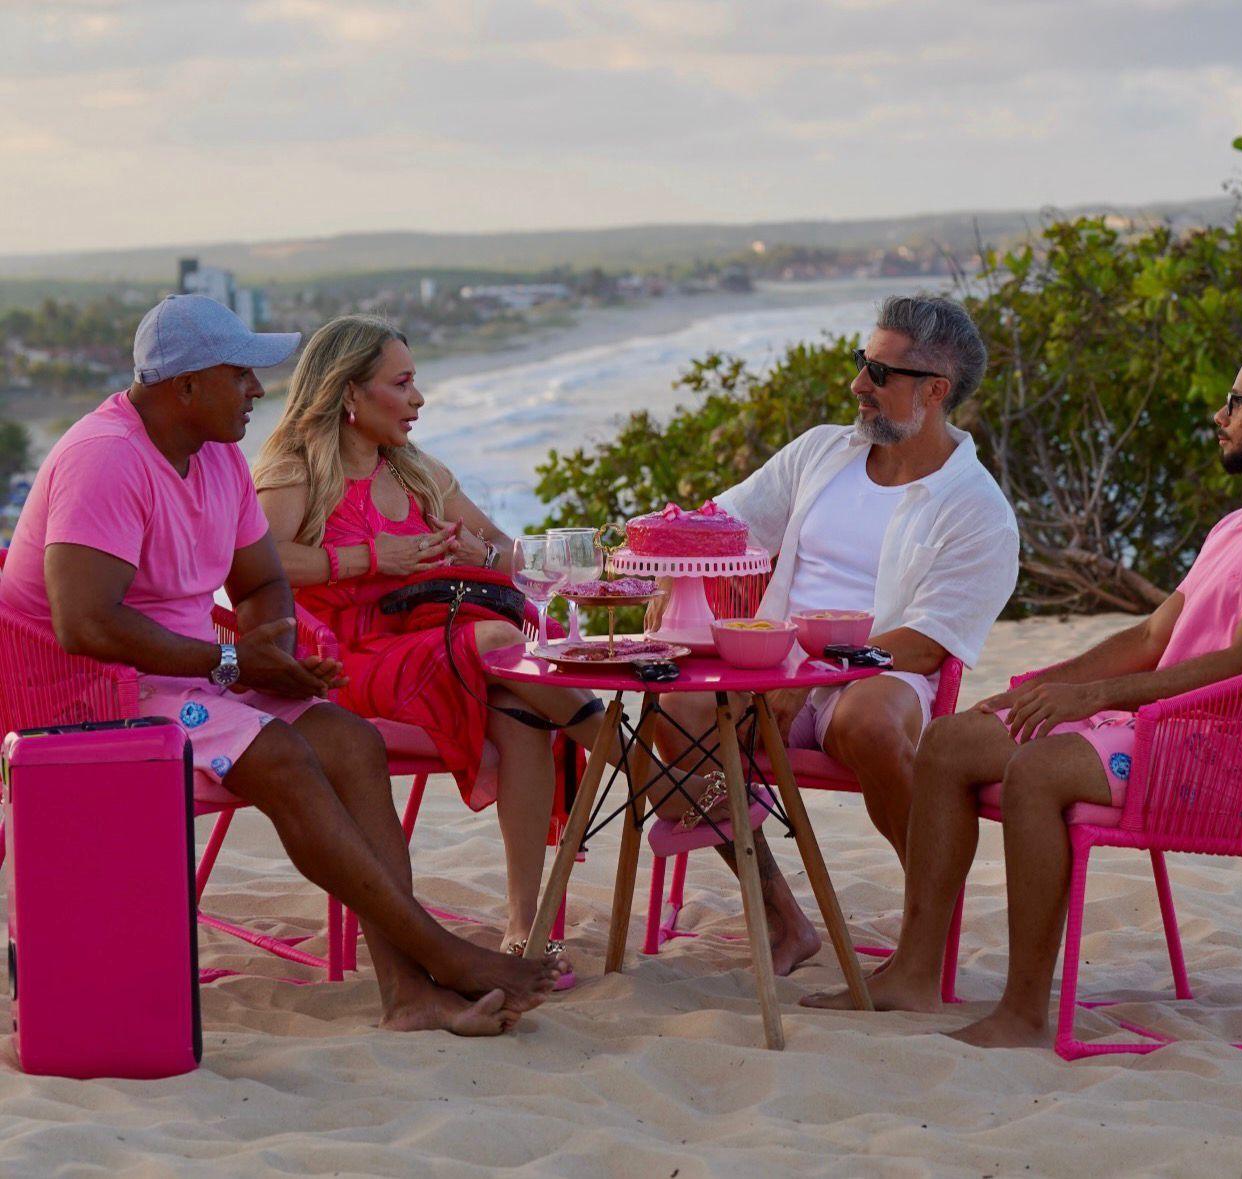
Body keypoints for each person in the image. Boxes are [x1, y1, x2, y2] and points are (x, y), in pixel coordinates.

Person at [0, 294, 564, 1036]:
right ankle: (441, 953)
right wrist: (235, 659)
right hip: (92, 694)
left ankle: (409, 993)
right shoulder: (103, 458)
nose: (260, 390)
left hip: (189, 674)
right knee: (288, 757)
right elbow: (85, 623)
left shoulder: (219, 460)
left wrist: (268, 650)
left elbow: (261, 583)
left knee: (350, 741)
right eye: (243, 375)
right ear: (187, 385)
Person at [804, 326, 1242, 1047]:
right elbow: (1148, 638)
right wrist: (1044, 684)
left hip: (1220, 760)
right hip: (1156, 733)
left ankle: (1020, 1011)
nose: (1221, 415)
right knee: (951, 741)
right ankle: (913, 973)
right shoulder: (1241, 523)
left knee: (1038, 768)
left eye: (1238, 401)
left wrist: (1097, 699)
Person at [647, 295, 1020, 974]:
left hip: (883, 672)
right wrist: (672, 570)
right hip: (773, 668)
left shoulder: (977, 508)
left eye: (879, 372)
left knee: (871, 721)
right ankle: (784, 918)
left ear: (933, 391)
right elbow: (721, 525)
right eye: (861, 363)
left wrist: (815, 670)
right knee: (680, 711)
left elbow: (928, 641)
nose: (858, 385)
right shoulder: (823, 452)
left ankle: (924, 936)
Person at [253, 315, 631, 965]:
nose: (418, 399)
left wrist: (474, 548)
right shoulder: (293, 470)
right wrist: (380, 557)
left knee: (520, 710)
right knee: (497, 642)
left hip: (424, 646)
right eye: (402, 384)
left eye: (415, 382)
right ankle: (635, 762)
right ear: (348, 393)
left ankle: (525, 926)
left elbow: (510, 555)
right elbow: (263, 566)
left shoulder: (419, 473)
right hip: (336, 660)